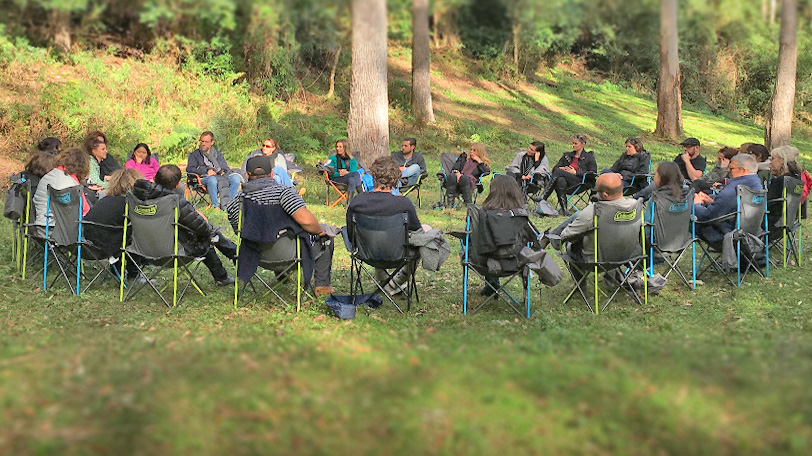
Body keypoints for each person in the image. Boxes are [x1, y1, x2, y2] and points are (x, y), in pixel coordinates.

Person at [226, 155, 335, 296]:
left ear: (247, 175)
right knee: (325, 236)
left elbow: (239, 231)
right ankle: (321, 286)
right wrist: (320, 230)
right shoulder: (283, 194)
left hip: (255, 256)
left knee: (273, 232)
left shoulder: (236, 201)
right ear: (272, 174)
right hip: (290, 256)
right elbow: (307, 222)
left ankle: (282, 278)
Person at [133, 164, 236, 286]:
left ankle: (233, 256)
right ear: (177, 185)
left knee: (205, 232)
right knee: (205, 236)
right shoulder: (176, 202)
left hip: (142, 248)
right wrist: (209, 226)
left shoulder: (136, 197)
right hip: (171, 251)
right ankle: (224, 272)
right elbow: (202, 228)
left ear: (154, 178)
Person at [346, 157, 426, 295]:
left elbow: (351, 234)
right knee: (423, 237)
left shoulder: (357, 202)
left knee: (378, 235)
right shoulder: (404, 203)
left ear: (373, 176)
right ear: (396, 179)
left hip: (367, 252)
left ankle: (384, 283)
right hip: (398, 254)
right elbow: (416, 231)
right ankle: (394, 283)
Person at [550, 173, 638, 263]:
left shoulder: (593, 211)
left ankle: (579, 276)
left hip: (596, 259)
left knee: (574, 241)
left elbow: (566, 235)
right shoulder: (635, 206)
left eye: (597, 191)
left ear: (605, 194)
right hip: (628, 255)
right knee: (579, 216)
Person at [478, 175, 542, 295]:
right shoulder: (520, 216)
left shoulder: (480, 214)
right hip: (513, 263)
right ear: (515, 192)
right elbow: (535, 241)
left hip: (481, 262)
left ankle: (492, 284)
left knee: (488, 244)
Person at [84, 168, 144, 278]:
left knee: (119, 232)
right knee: (133, 234)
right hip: (107, 246)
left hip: (87, 242)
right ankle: (133, 273)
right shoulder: (128, 203)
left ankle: (117, 271)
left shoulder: (105, 200)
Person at [693, 154, 762, 245]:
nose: (727, 170)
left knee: (690, 217)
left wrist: (697, 204)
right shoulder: (758, 186)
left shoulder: (733, 190)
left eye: (732, 168)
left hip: (727, 236)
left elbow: (707, 216)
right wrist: (712, 202)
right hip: (752, 235)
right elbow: (735, 208)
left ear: (743, 171)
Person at [33, 148, 91, 232]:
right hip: (58, 232)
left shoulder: (49, 176)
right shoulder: (71, 184)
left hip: (41, 227)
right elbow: (82, 213)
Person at [636, 137, 707, 201]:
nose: (685, 149)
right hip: (669, 181)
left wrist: (687, 161)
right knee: (653, 187)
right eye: (684, 147)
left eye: (688, 147)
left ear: (697, 148)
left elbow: (695, 177)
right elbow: (670, 170)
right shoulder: (680, 157)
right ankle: (635, 201)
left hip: (685, 186)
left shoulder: (700, 161)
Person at [543, 134, 597, 215]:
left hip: (580, 182)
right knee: (560, 179)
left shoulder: (589, 157)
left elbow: (593, 173)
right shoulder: (567, 156)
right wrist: (563, 169)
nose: (573, 145)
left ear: (583, 144)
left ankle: (543, 197)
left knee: (558, 172)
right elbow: (555, 168)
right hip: (566, 183)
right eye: (573, 143)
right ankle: (564, 209)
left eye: (576, 143)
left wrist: (576, 172)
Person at [186, 131, 242, 209]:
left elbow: (226, 168)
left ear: (212, 142)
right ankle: (215, 205)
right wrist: (206, 170)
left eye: (206, 142)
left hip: (220, 177)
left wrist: (221, 172)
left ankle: (228, 204)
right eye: (202, 141)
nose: (203, 144)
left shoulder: (218, 154)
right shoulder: (195, 155)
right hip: (203, 178)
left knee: (236, 178)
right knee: (212, 179)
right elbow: (190, 169)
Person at [766, 145, 803, 229]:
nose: (770, 162)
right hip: (789, 223)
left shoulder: (780, 181)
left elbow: (767, 203)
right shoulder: (796, 178)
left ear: (782, 160)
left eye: (773, 159)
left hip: (772, 223)